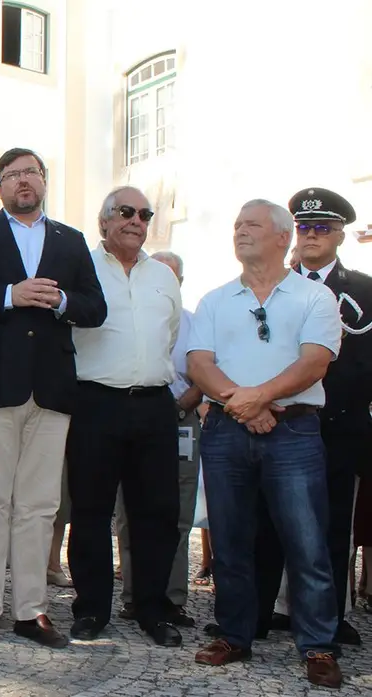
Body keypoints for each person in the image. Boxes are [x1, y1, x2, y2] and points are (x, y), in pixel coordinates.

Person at [0, 147, 107, 649]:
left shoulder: (71, 240)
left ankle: (31, 611)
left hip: (53, 389)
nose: (23, 181)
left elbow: (95, 307)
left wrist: (60, 300)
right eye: (13, 174)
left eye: (31, 173)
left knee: (39, 505)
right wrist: (6, 296)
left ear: (43, 182)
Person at [188, 199, 343, 688]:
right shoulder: (215, 299)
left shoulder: (314, 299)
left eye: (251, 224)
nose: (239, 231)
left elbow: (315, 362)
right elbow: (199, 363)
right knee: (230, 541)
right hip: (228, 431)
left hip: (294, 431)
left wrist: (259, 398)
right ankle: (235, 635)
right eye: (236, 225)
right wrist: (243, 404)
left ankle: (318, 644)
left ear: (282, 237)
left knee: (307, 541)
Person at [251, 188, 371, 647]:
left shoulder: (363, 289)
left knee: (331, 524)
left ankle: (327, 617)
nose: (312, 236)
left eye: (323, 227)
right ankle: (260, 612)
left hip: (339, 424)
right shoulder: (267, 282)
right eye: (304, 227)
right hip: (278, 421)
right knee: (267, 520)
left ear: (340, 234)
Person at [64, 187, 182, 647]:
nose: (137, 220)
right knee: (90, 511)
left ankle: (151, 608)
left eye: (144, 214)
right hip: (96, 402)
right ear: (104, 222)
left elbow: (168, 336)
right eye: (126, 212)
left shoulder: (163, 276)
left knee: (157, 511)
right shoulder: (81, 268)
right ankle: (91, 608)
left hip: (153, 403)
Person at [114, 249, 202, 630]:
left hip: (181, 421)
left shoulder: (194, 323)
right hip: (133, 422)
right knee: (128, 514)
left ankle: (172, 598)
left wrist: (180, 405)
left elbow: (205, 372)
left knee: (177, 514)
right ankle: (133, 595)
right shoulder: (127, 316)